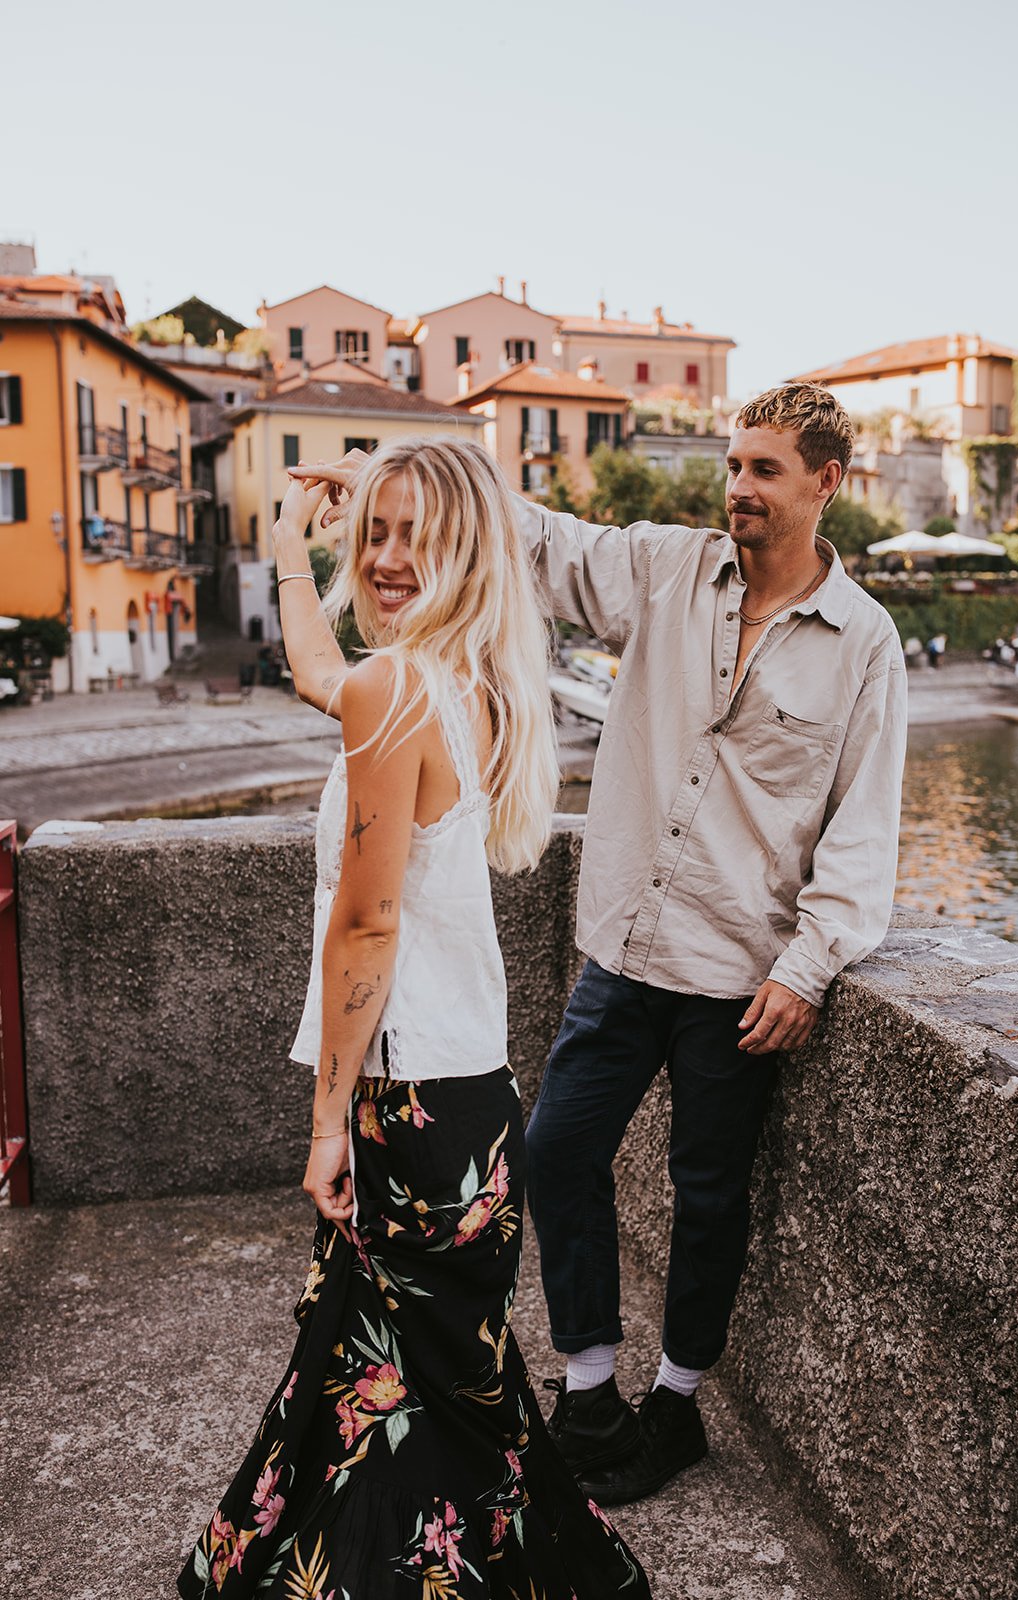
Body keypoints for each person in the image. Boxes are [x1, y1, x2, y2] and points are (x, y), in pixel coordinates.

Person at [293, 382, 908, 1509]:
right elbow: (531, 536)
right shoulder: (669, 570)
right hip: (622, 947)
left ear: (825, 483)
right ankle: (587, 1385)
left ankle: (672, 1406)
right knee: (556, 1151)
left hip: (741, 973)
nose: (738, 487)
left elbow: (864, 826)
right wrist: (389, 474)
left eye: (765, 470)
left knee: (708, 1193)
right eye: (732, 464)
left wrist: (808, 963)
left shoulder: (864, 643)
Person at [178, 439, 650, 1598]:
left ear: (465, 548)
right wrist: (290, 542)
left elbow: (367, 925)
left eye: (414, 534)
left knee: (407, 1402)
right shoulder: (469, 680)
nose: (386, 558)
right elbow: (313, 673)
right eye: (373, 531)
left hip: (406, 1107)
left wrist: (324, 1119)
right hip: (473, 1108)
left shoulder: (397, 688)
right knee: (429, 1396)